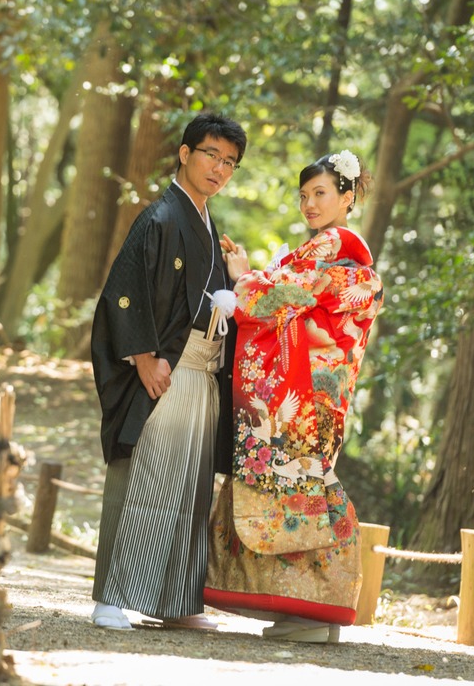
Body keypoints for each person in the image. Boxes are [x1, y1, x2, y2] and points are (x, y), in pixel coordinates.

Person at [203, 150, 383, 644]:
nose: (309, 204)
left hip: (303, 389)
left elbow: (279, 293)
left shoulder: (332, 245)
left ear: (347, 197)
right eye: (304, 196)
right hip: (322, 392)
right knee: (307, 484)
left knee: (298, 484)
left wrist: (243, 277)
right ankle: (313, 611)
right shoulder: (347, 254)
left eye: (320, 193)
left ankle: (312, 609)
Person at [89, 112, 248, 631]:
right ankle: (111, 597)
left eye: (229, 162)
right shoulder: (159, 218)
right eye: (210, 155)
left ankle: (175, 602)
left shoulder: (207, 225)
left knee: (188, 490)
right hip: (164, 368)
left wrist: (239, 279)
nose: (219, 168)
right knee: (142, 477)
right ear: (185, 154)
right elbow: (124, 291)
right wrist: (142, 357)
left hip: (201, 372)